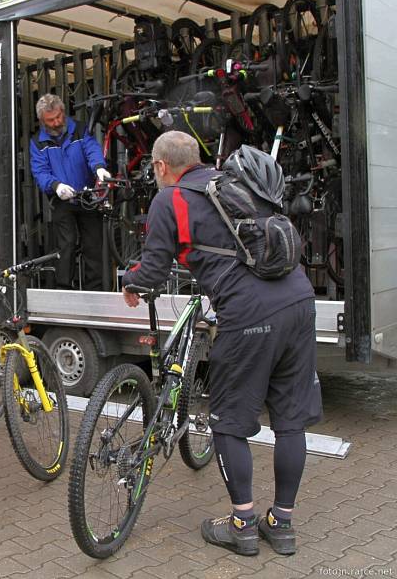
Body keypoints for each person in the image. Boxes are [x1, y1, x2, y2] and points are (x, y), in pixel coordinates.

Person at [120, 130, 323, 557]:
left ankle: (242, 525)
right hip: (301, 300)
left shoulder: (170, 198)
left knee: (229, 421)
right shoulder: (235, 184)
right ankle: (281, 524)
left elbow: (153, 270)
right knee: (290, 422)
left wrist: (132, 281)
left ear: (160, 166)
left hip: (250, 313)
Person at [29, 93, 111, 290]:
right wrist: (55, 185)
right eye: (51, 120)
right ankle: (64, 288)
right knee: (66, 246)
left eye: (59, 116)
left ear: (63, 112)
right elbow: (39, 172)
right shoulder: (37, 142)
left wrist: (99, 166)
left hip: (87, 195)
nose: (57, 122)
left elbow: (92, 149)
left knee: (93, 245)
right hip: (61, 198)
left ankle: (96, 290)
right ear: (42, 120)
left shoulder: (80, 129)